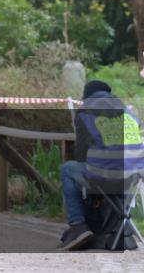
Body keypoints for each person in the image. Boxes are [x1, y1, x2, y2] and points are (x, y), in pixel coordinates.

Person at [57, 80, 144, 250]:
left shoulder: (85, 111)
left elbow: (81, 153)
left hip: (104, 177)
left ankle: (78, 227)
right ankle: (118, 228)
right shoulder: (128, 113)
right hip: (133, 178)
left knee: (68, 169)